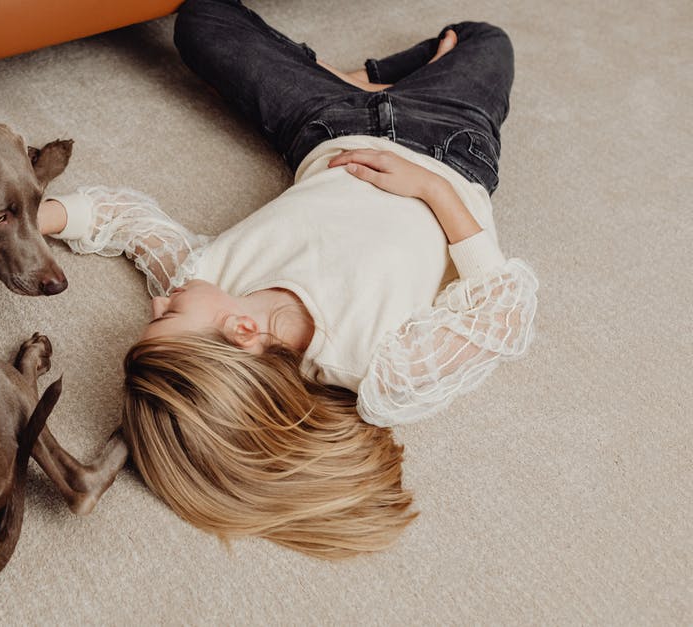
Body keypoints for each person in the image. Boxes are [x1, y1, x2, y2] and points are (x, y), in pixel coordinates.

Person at [34, 0, 538, 558]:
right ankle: (388, 82)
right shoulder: (378, 368)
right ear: (244, 331)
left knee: (203, 20)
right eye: (167, 317)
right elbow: (501, 311)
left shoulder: (200, 278)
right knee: (483, 39)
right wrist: (431, 189)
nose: (156, 305)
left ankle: (364, 83)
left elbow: (128, 224)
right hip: (451, 146)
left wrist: (34, 220)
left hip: (326, 124)